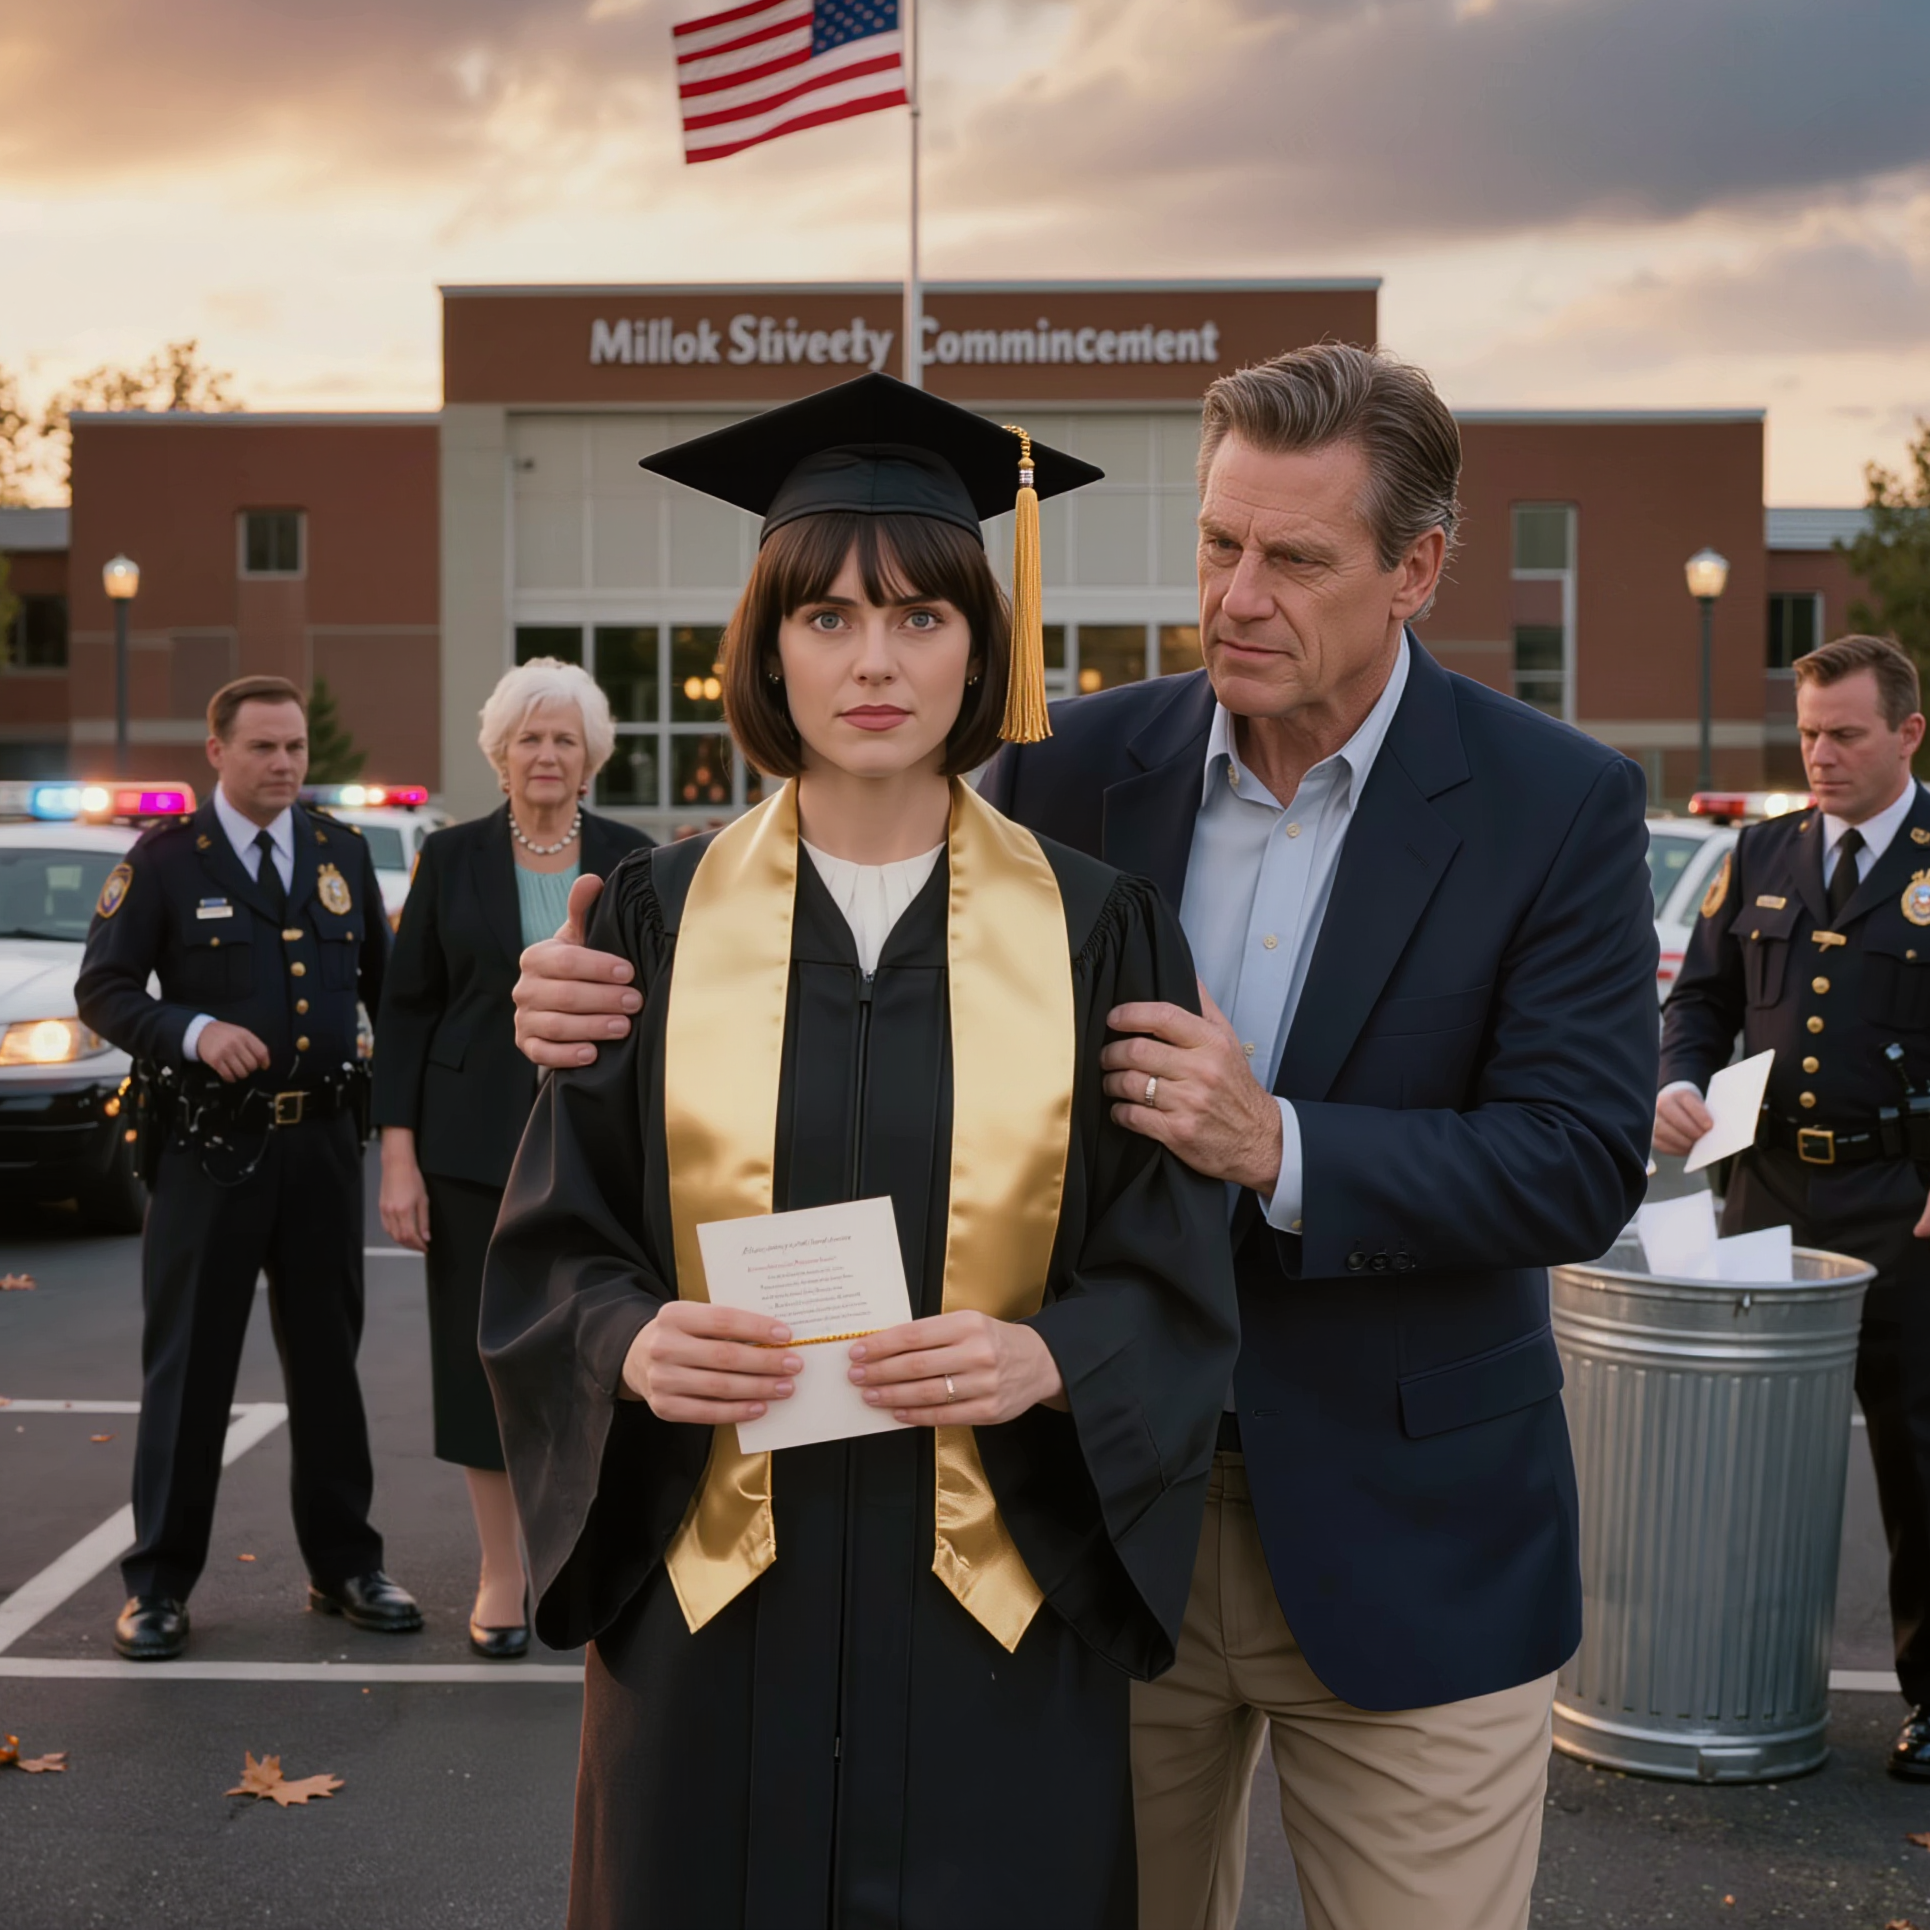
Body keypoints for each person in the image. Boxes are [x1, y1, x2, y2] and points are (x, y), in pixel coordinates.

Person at [510, 344, 1660, 1930]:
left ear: (1415, 569)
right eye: (1216, 545)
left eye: (1293, 558)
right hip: (1086, 1535)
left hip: (1398, 1534)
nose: (1236, 595)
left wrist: (1280, 1145)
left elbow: (1580, 1157)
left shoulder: (1556, 804)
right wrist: (575, 1010)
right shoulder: (1071, 776)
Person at [480, 373, 1240, 1930]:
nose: (874, 660)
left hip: (994, 1607)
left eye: (918, 618)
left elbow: (1169, 1265)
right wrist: (630, 1345)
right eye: (824, 617)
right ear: (764, 648)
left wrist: (1051, 1365)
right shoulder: (651, 922)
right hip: (714, 1599)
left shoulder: (1099, 931)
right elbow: (555, 1245)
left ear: (984, 644)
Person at [75, 674, 421, 1662]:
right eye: (264, 747)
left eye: (295, 748)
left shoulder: (340, 854)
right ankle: (159, 1583)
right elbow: (101, 988)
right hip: (207, 1152)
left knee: (327, 1365)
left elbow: (391, 1004)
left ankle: (345, 1564)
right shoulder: (167, 862)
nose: (283, 764)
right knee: (189, 1370)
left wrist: (402, 1136)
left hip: (318, 1148)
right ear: (216, 753)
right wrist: (186, 1028)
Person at [1657, 633, 1930, 1778]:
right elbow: (1704, 1001)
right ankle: (1737, 1674)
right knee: (1743, 1449)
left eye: (1845, 734)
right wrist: (1676, 1079)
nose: (1819, 754)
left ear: (1908, 733)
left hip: (1899, 1200)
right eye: (1809, 732)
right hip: (1763, 1189)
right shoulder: (1758, 849)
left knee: (1915, 1457)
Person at [372, 659, 649, 1658]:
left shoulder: (631, 858)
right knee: (477, 1357)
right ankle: (502, 1566)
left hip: (595, 1147)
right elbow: (405, 1012)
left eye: (564, 737)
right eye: (529, 737)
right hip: (467, 1149)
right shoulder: (448, 859)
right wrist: (397, 1158)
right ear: (499, 753)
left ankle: (589, 1548)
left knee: (601, 1344)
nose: (546, 753)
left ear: (590, 757)